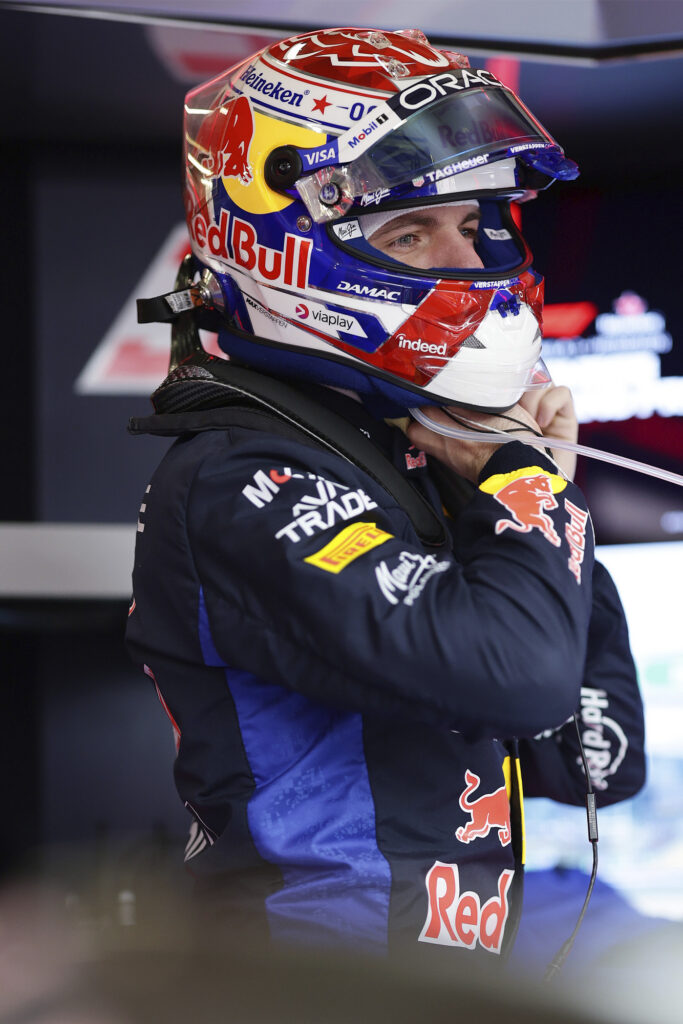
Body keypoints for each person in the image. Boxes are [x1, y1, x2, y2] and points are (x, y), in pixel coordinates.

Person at [126, 27, 645, 960]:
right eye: (411, 231)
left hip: (431, 981)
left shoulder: (422, 449)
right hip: (306, 983)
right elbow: (516, 679)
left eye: (474, 223)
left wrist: (539, 489)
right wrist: (522, 484)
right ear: (278, 249)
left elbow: (592, 762)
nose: (462, 259)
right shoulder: (241, 474)